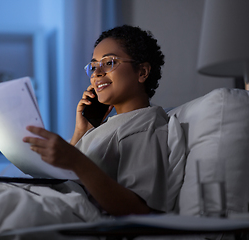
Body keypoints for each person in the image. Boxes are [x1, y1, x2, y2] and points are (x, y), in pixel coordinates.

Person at [23, 25, 168, 217]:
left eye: (109, 63)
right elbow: (68, 177)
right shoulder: (110, 125)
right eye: (93, 65)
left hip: (67, 215)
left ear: (142, 72)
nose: (96, 73)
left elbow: (139, 210)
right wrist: (80, 132)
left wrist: (76, 159)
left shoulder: (145, 124)